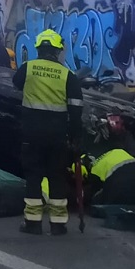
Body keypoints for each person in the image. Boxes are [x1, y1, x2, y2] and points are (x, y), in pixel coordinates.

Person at [12, 29, 83, 235]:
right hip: (57, 137)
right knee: (57, 177)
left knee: (33, 177)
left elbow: (16, 84)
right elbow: (76, 112)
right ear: (57, 51)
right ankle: (58, 225)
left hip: (31, 135)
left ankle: (32, 223)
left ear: (39, 49)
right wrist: (76, 138)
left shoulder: (28, 68)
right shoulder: (68, 76)